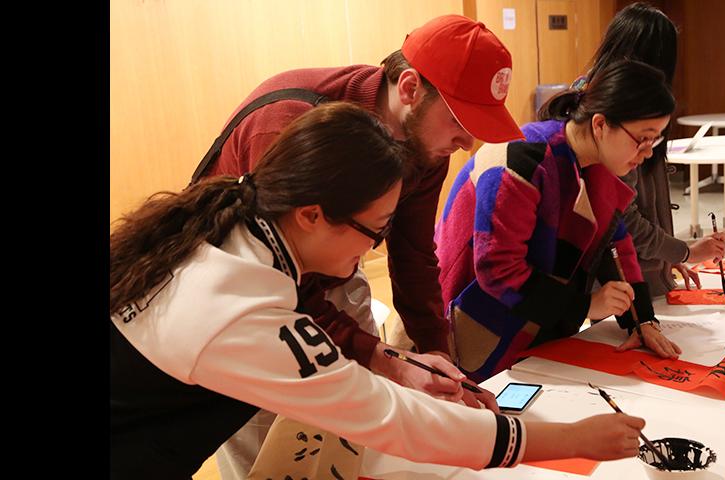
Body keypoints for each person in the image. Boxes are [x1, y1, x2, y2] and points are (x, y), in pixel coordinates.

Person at [111, 103, 648, 479]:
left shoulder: (243, 231)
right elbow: (385, 416)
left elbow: (310, 310)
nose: (375, 248)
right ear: (312, 215)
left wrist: (395, 360)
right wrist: (570, 439)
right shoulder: (238, 312)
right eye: (376, 229)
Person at [198, 14, 523, 476]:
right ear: (410, 88)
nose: (467, 141)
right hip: (239, 294)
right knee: (273, 449)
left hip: (327, 270)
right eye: (457, 119)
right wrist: (380, 356)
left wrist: (440, 364)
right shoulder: (290, 126)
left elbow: (413, 255)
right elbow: (283, 286)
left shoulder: (424, 145)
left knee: (349, 441)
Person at [435, 59, 683, 383]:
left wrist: (641, 321)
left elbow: (615, 241)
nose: (648, 153)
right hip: (470, 322)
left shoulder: (594, 166)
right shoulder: (523, 158)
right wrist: (585, 306)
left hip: (531, 317)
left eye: (656, 141)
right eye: (643, 139)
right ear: (600, 125)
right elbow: (498, 271)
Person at [543, 2, 725, 296]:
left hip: (637, 268)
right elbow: (622, 218)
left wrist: (671, 256)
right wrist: (684, 252)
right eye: (645, 138)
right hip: (622, 276)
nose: (648, 151)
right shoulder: (615, 113)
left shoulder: (606, 99)